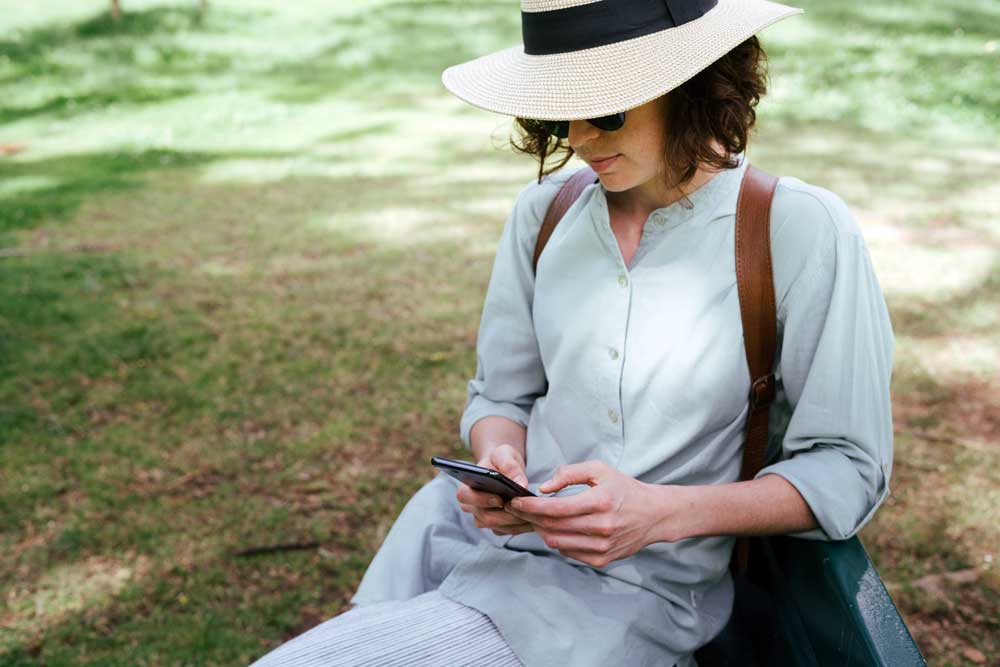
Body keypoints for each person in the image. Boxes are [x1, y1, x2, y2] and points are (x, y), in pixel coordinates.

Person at [249, 1, 895, 665]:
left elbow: (849, 469)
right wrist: (501, 459)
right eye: (561, 109)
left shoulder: (796, 229)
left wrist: (658, 512)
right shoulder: (544, 216)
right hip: (456, 537)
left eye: (606, 108)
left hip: (619, 602)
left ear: (692, 84)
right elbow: (500, 394)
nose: (581, 137)